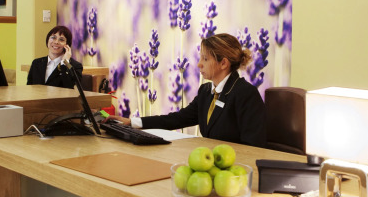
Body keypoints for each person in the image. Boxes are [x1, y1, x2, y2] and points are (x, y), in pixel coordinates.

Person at [107, 33, 266, 147]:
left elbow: (253, 147)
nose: (199, 64)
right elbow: (177, 119)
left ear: (223, 63)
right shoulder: (206, 91)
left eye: (205, 59)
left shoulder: (246, 94)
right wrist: (132, 122)